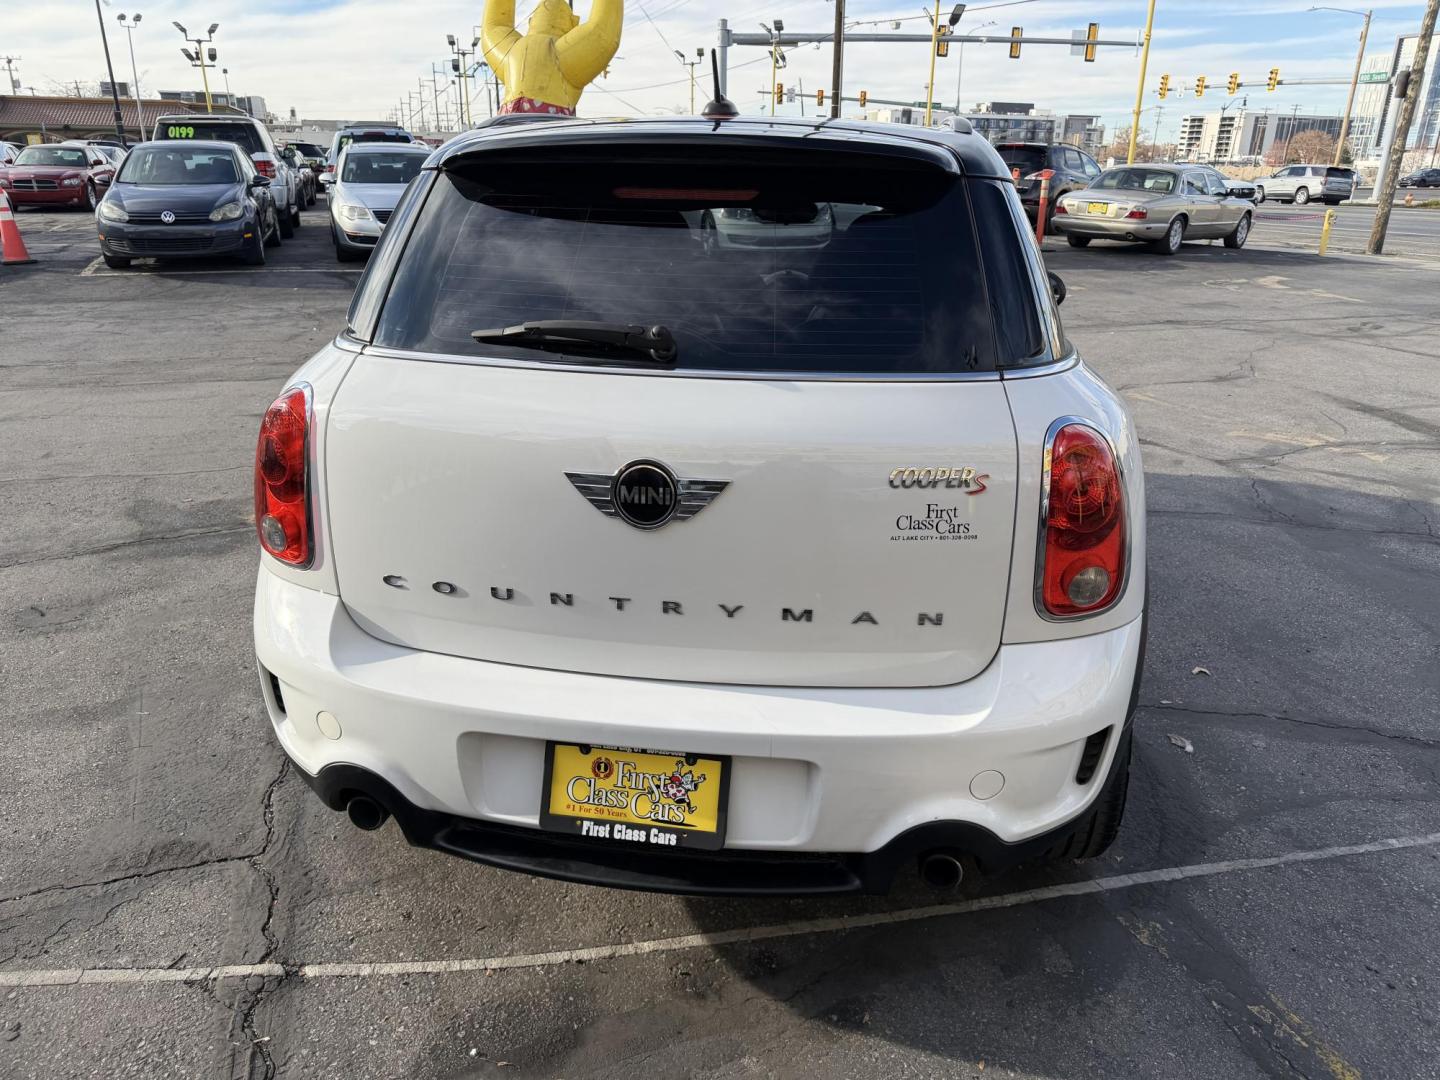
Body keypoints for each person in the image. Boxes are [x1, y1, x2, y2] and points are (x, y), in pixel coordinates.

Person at [481, 0, 623, 116]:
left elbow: (493, 27)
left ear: (531, 21)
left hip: (507, 132)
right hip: (554, 132)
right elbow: (603, 32)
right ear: (573, 23)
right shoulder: (562, 53)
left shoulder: (512, 50)